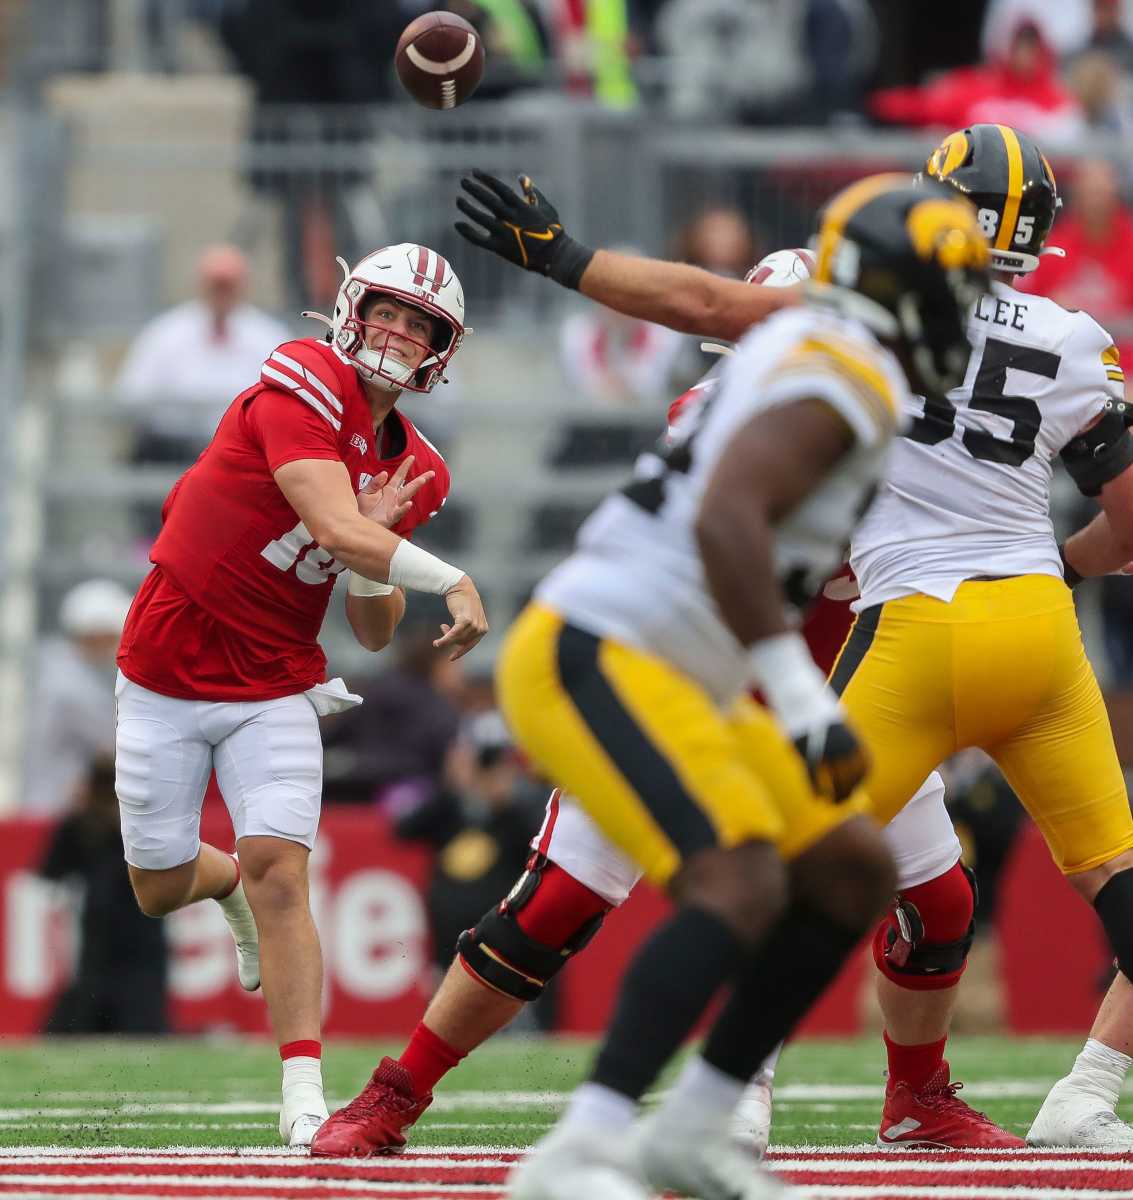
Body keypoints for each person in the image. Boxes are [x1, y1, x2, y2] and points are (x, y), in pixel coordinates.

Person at [453, 128, 1133, 1154]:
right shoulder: (1043, 340)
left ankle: (728, 1105)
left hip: (879, 639)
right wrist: (1061, 570)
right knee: (1099, 882)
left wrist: (563, 257)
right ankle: (1067, 1094)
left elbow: (704, 306)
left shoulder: (842, 349)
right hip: (996, 633)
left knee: (815, 882)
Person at [314, 176, 990, 1200]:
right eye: (949, 293)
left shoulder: (814, 344)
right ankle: (567, 1139)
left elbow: (702, 302)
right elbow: (729, 519)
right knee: (677, 890)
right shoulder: (839, 376)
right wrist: (800, 697)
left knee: (850, 871)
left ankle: (699, 1121)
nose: (963, 319)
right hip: (617, 653)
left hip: (713, 675)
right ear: (892, 293)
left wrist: (565, 258)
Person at [114, 242, 489, 1147]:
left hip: (275, 678)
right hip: (167, 659)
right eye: (389, 313)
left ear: (443, 346)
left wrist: (379, 556)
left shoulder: (422, 468)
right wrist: (450, 577)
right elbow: (328, 523)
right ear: (353, 309)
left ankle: (305, 1096)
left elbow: (367, 627)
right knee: (159, 886)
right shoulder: (301, 373)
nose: (399, 334)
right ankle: (226, 888)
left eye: (420, 324)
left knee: (285, 870)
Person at [117, 245, 291, 466]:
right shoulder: (165, 333)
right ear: (200, 284)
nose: (222, 292)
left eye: (228, 285)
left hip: (246, 450)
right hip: (174, 449)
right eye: (216, 285)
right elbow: (132, 393)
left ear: (243, 286)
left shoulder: (267, 335)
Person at [39, 759, 170, 1035]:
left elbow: (49, 872)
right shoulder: (85, 824)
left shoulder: (126, 822)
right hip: (116, 934)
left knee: (133, 1013)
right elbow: (50, 870)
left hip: (130, 934)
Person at [23, 579, 134, 817]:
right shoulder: (68, 685)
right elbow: (116, 741)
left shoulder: (66, 671)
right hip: (57, 807)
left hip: (61, 804)